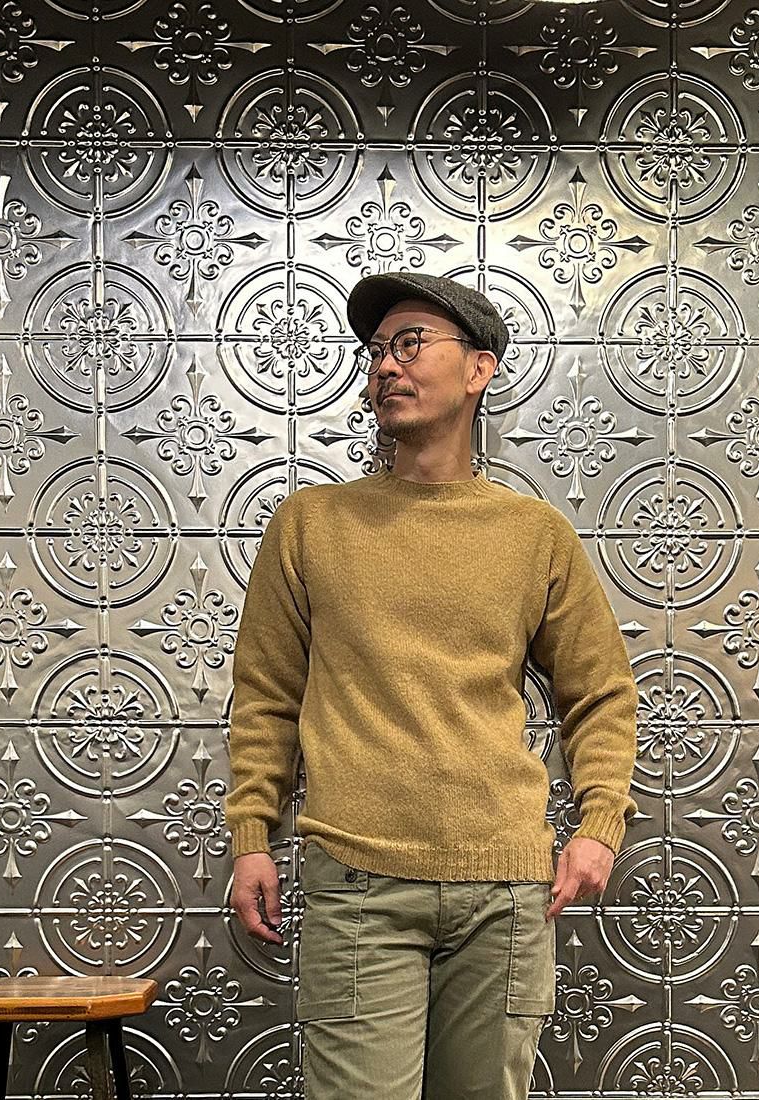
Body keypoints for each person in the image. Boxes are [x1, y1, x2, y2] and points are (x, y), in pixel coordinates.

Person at [225, 271, 639, 1099]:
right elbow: (267, 694)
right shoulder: (311, 524)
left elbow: (600, 691)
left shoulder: (534, 534)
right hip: (358, 884)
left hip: (505, 892)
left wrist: (599, 825)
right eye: (377, 351)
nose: (386, 365)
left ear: (480, 368)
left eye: (411, 343)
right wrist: (251, 835)